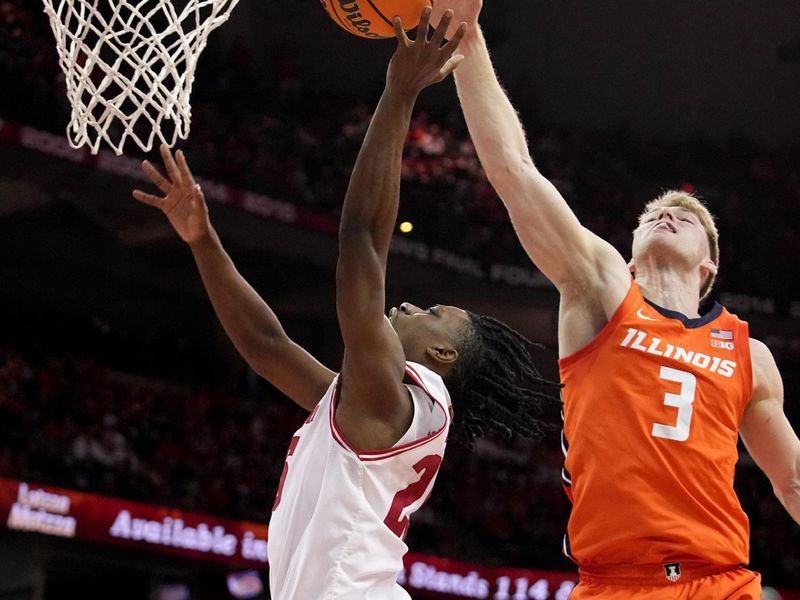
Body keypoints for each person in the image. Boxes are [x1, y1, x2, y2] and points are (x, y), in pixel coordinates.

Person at [133, 9, 556, 599]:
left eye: (431, 314)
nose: (408, 305)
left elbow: (361, 236)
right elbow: (265, 346)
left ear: (441, 354)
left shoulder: (393, 399)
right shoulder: (378, 402)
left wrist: (400, 90)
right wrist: (203, 242)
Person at [429, 1, 800, 598]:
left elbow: (793, 484)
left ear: (710, 263)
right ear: (628, 255)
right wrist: (469, 39)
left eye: (688, 216)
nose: (668, 212)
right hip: (614, 584)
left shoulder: (749, 355)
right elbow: (514, 172)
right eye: (653, 214)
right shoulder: (601, 288)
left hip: (721, 582)